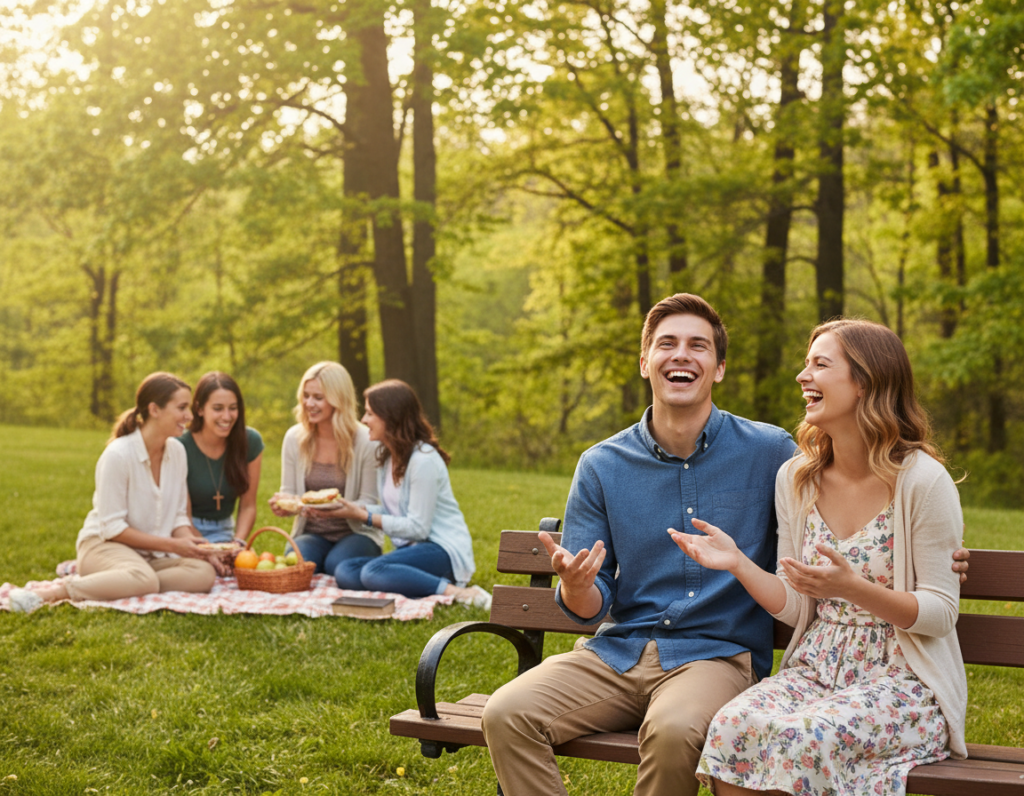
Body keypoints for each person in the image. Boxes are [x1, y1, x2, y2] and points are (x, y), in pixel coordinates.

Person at [479, 294, 970, 796]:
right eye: (666, 344)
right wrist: (577, 585)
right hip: (618, 651)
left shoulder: (773, 454)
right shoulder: (603, 465)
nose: (681, 355)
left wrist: (928, 559)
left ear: (718, 368)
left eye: (698, 346)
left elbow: (884, 523)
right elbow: (587, 607)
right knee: (505, 712)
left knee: (676, 732)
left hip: (716, 655)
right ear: (644, 360)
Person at [671, 318, 966, 796]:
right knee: (733, 725)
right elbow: (795, 603)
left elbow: (940, 613)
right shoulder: (797, 478)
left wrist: (854, 589)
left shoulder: (922, 481)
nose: (802, 376)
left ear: (865, 382)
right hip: (817, 666)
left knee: (803, 737)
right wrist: (738, 563)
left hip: (905, 677)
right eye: (806, 363)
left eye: (820, 365)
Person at [9, 372, 219, 613]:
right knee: (145, 578)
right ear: (154, 409)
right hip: (102, 547)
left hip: (149, 556)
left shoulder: (178, 452)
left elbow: (179, 515)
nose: (189, 416)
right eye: (181, 407)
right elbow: (112, 529)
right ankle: (50, 593)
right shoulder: (119, 455)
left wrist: (192, 544)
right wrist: (173, 546)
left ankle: (126, 583)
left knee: (203, 574)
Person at [331, 379, 491, 608]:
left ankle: (458, 592)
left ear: (390, 416)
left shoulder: (423, 461)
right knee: (345, 571)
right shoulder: (388, 456)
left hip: (441, 549)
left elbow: (418, 528)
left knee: (372, 571)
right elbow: (392, 511)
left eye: (369, 413)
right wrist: (353, 509)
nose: (364, 420)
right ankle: (415, 582)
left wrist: (364, 517)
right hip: (412, 548)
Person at [269, 362, 382, 577]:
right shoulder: (294, 438)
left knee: (336, 566)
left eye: (318, 398)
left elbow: (368, 502)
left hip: (356, 533)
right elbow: (290, 492)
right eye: (306, 395)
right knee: (298, 567)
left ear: (338, 400)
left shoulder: (366, 441)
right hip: (311, 532)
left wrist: (337, 508)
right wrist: (286, 504)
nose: (309, 403)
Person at [181, 372, 264, 545]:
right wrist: (209, 550)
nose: (227, 417)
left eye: (233, 408)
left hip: (225, 530)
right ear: (199, 409)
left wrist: (238, 543)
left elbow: (248, 506)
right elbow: (182, 516)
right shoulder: (180, 446)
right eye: (218, 408)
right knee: (205, 571)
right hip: (186, 531)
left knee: (244, 569)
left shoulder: (250, 442)